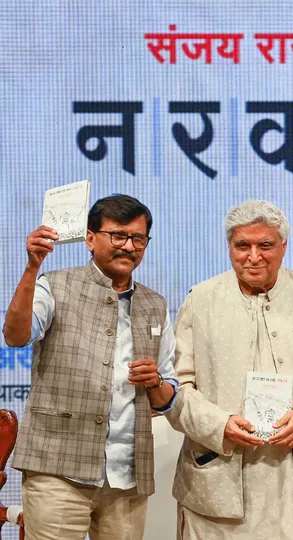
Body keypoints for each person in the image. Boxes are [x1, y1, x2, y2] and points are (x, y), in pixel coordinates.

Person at [166, 200, 293, 539]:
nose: (253, 256)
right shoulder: (201, 299)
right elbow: (175, 387)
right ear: (230, 247)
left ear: (284, 246)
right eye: (243, 245)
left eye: (265, 245)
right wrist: (218, 424)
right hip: (218, 480)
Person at [3, 194, 178, 540]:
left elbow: (167, 396)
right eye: (118, 235)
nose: (128, 246)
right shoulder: (55, 285)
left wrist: (156, 381)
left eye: (138, 238)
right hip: (57, 471)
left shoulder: (156, 304)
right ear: (90, 238)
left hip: (126, 478)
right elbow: (15, 336)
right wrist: (31, 267)